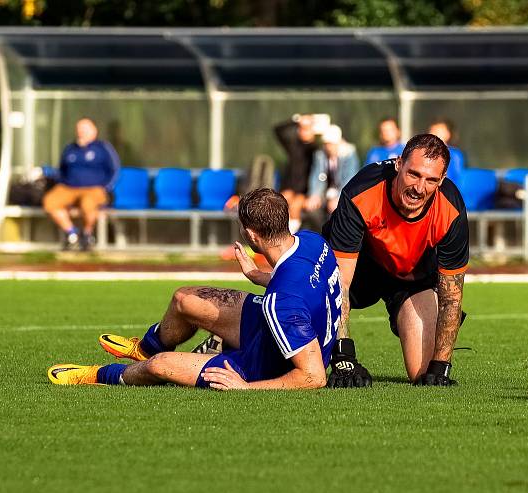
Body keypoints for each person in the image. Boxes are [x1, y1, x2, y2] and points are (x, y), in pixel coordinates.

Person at [47, 188, 342, 391]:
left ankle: (99, 374)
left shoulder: (282, 302)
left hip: (266, 364)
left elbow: (313, 376)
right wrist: (257, 275)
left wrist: (246, 388)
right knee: (184, 299)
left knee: (159, 366)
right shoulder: (311, 241)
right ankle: (145, 347)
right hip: (275, 327)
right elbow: (304, 287)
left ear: (251, 234)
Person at [322, 134, 468, 388]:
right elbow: (338, 283)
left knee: (423, 374)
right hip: (361, 271)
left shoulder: (451, 209)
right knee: (308, 306)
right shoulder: (361, 192)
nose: (419, 188)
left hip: (411, 280)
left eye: (431, 180)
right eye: (414, 174)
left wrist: (441, 365)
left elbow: (452, 298)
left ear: (442, 180)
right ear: (399, 163)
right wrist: (344, 357)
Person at [42, 118, 120, 250]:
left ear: (94, 131)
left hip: (94, 189)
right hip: (69, 188)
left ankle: (87, 234)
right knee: (50, 202)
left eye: (85, 129)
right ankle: (72, 234)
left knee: (88, 204)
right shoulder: (70, 148)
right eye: (79, 129)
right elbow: (61, 171)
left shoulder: (103, 148)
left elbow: (115, 169)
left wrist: (106, 188)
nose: (81, 132)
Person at [274, 114, 318, 234]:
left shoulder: (316, 150)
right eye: (301, 128)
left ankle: (290, 236)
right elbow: (278, 130)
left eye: (307, 128)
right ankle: (277, 235)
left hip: (305, 190)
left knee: (295, 207)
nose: (303, 131)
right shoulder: (294, 146)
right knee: (279, 204)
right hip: (290, 188)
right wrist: (295, 120)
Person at [306, 125, 360, 214]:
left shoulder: (348, 154)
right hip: (326, 192)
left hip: (343, 193)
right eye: (326, 144)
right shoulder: (320, 155)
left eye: (331, 144)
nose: (328, 147)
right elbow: (316, 176)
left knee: (335, 208)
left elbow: (349, 179)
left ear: (338, 143)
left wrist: (339, 198)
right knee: (310, 208)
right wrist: (314, 194)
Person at [428, 119, 465, 183]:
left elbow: (455, 177)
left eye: (438, 132)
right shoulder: (423, 151)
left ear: (448, 134)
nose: (434, 135)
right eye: (432, 131)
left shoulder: (454, 155)